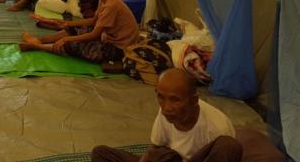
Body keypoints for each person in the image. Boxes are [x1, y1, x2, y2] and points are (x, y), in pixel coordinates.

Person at [91, 68, 242, 162]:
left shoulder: (216, 127)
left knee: (229, 145)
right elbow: (157, 148)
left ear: (193, 100)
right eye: (160, 97)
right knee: (100, 153)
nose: (166, 107)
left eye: (175, 99)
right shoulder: (166, 111)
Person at [19, 0, 139, 63]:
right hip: (108, 37)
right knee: (76, 29)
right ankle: (39, 40)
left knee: (76, 43)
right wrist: (68, 24)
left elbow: (94, 35)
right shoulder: (103, 0)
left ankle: (37, 45)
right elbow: (93, 21)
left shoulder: (111, 5)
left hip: (119, 48)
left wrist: (67, 39)